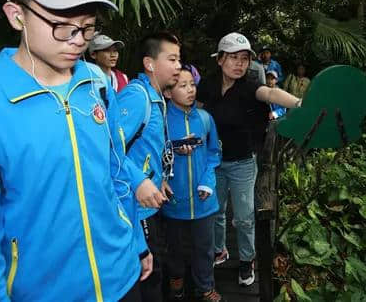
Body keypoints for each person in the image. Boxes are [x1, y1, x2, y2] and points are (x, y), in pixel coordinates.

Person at [0, 0, 161, 301]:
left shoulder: (97, 83)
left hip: (123, 278)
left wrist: (136, 242)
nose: (77, 40)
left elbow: (115, 172)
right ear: (16, 16)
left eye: (87, 26)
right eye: (61, 25)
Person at [197, 32, 301, 286]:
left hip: (242, 162)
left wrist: (300, 103)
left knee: (244, 216)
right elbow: (194, 109)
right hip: (213, 161)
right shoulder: (208, 85)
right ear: (220, 59)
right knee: (216, 211)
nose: (239, 63)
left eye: (244, 58)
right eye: (233, 57)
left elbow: (271, 94)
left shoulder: (251, 86)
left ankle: (246, 260)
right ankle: (219, 250)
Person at [117, 32, 181, 302]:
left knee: (156, 271)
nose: (179, 66)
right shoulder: (136, 97)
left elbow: (144, 149)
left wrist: (160, 179)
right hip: (134, 210)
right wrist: (139, 181)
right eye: (173, 59)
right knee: (147, 278)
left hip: (150, 202)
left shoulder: (156, 98)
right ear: (150, 63)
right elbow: (109, 149)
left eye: (180, 60)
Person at [162, 65, 224, 302]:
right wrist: (173, 150)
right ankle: (176, 280)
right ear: (168, 92)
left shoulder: (206, 118)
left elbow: (213, 153)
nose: (190, 90)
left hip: (203, 201)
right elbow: (153, 154)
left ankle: (205, 286)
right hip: (173, 200)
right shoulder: (162, 120)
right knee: (174, 248)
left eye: (192, 85)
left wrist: (208, 182)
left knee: (204, 248)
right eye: (182, 85)